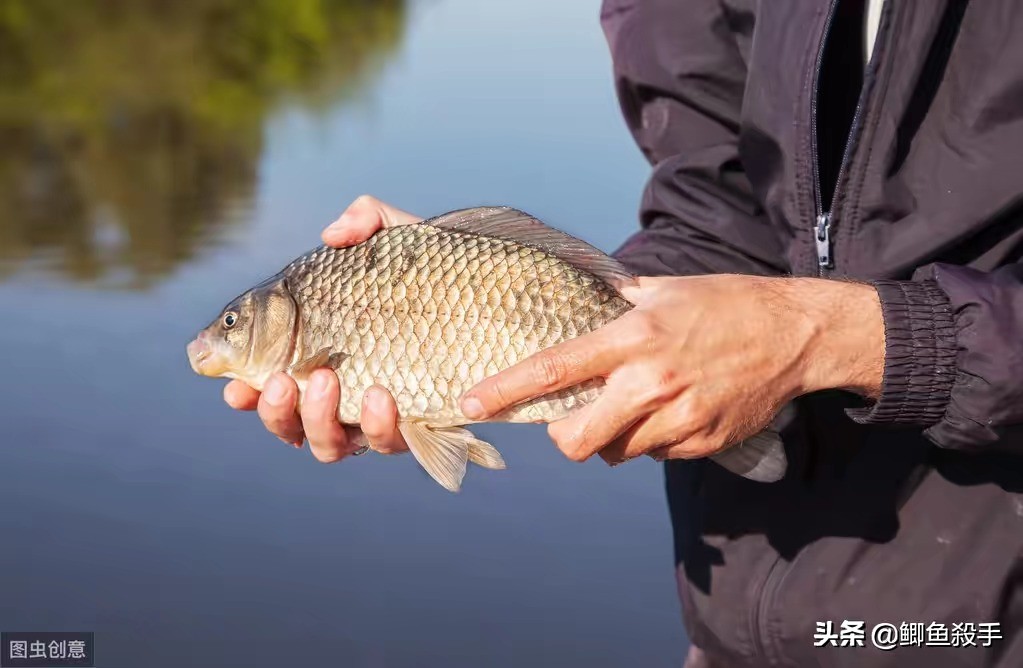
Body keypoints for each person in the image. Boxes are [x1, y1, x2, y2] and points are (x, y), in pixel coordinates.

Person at [224, 1, 1023, 665]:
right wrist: (503, 300)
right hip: (736, 622)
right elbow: (714, 200)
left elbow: (810, 315)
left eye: (231, 328)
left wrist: (843, 337)